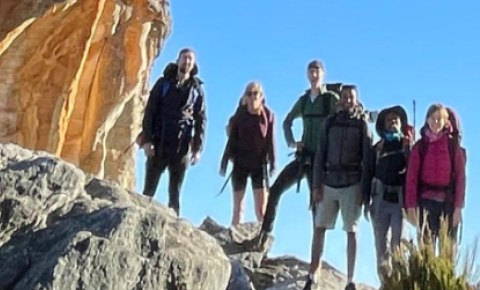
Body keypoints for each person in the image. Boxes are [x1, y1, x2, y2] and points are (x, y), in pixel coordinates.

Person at [304, 83, 372, 290]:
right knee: (319, 227)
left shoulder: (361, 125)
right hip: (328, 181)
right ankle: (312, 277)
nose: (348, 100)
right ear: (340, 99)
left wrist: (364, 190)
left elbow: (368, 159)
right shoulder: (330, 122)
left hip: (352, 182)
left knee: (352, 230)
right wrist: (316, 185)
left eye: (351, 97)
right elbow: (320, 154)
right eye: (345, 96)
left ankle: (350, 281)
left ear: (356, 99)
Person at [259, 59, 337, 245]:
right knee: (275, 189)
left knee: (316, 203)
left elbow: (343, 118)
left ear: (323, 74)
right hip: (304, 157)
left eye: (317, 71)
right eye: (311, 71)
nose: (314, 75)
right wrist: (292, 142)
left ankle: (316, 252)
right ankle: (264, 235)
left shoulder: (330, 99)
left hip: (322, 159)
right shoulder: (304, 101)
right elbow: (287, 121)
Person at [137, 48, 205, 214]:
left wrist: (197, 149)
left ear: (193, 64)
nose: (187, 62)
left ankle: (173, 226)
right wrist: (147, 141)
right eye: (184, 58)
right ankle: (139, 219)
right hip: (158, 142)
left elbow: (201, 120)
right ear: (178, 60)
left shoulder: (197, 90)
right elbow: (150, 112)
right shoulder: (163, 84)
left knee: (175, 194)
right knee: (148, 191)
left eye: (190, 59)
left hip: (181, 147)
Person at [403, 103, 466, 250]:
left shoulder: (452, 146)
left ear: (446, 122)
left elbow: (460, 178)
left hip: (448, 203)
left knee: (447, 252)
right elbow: (411, 178)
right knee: (426, 251)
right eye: (433, 118)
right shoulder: (420, 147)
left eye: (440, 118)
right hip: (426, 203)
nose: (436, 122)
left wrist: (458, 207)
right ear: (427, 120)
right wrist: (410, 207)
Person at [218, 80, 276, 228]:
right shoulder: (240, 115)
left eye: (255, 93)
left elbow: (271, 141)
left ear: (261, 96)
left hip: (259, 164)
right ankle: (234, 236)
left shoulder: (268, 116)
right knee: (238, 210)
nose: (252, 97)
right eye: (249, 94)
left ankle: (262, 238)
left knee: (261, 211)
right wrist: (224, 161)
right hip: (240, 163)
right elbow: (232, 140)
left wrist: (273, 163)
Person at [368, 105, 412, 279]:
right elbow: (368, 173)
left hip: (400, 200)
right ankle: (386, 285)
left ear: (401, 124)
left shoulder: (408, 146)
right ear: (383, 125)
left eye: (396, 119)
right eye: (388, 119)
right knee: (381, 244)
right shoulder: (377, 148)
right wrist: (365, 198)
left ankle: (400, 284)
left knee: (398, 244)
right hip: (379, 198)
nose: (393, 121)